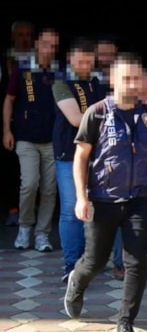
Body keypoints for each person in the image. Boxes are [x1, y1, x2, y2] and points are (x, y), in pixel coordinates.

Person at [63, 52, 147, 332]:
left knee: (137, 262)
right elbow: (81, 157)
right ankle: (77, 282)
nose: (132, 84)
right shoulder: (97, 113)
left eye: (136, 78)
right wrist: (81, 198)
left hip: (140, 197)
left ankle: (125, 324)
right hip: (103, 200)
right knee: (96, 261)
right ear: (113, 79)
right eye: (126, 78)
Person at [2, 27, 60, 251]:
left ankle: (42, 234)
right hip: (26, 138)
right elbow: (9, 100)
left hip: (52, 139)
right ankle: (25, 227)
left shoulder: (60, 71)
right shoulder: (22, 69)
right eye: (46, 44)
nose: (49, 49)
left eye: (54, 46)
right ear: (37, 44)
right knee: (29, 184)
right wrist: (7, 130)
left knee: (49, 189)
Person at [52, 37, 105, 281]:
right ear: (69, 59)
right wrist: (106, 118)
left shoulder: (97, 82)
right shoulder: (60, 82)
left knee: (97, 207)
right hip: (69, 153)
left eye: (88, 60)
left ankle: (90, 261)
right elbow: (75, 119)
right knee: (71, 208)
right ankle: (71, 265)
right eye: (80, 61)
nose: (84, 65)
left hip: (98, 152)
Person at [111, 70, 147, 280]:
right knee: (124, 219)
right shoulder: (115, 109)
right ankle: (122, 262)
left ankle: (139, 253)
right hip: (124, 176)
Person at [1, 20, 34, 227]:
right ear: (13, 37)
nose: (24, 39)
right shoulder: (5, 60)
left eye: (28, 34)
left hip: (34, 122)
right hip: (10, 121)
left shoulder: (40, 61)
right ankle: (13, 208)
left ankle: (32, 209)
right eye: (20, 34)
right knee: (11, 167)